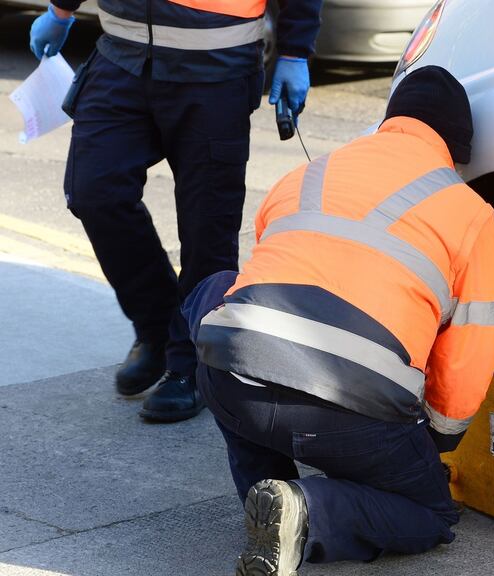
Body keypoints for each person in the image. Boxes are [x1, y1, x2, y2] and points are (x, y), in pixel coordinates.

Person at [182, 66, 494, 574]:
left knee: (216, 294)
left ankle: (264, 494)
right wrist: (433, 441)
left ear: (389, 121)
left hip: (232, 384)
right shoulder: (472, 215)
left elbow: (267, 275)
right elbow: (466, 359)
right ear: (457, 148)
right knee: (429, 512)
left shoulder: (307, 173)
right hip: (348, 416)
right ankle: (306, 512)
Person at [28, 0, 322, 422]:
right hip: (122, 56)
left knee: (207, 230)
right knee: (94, 191)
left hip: (217, 67)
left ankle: (191, 364)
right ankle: (159, 328)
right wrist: (60, 10)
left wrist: (295, 51)